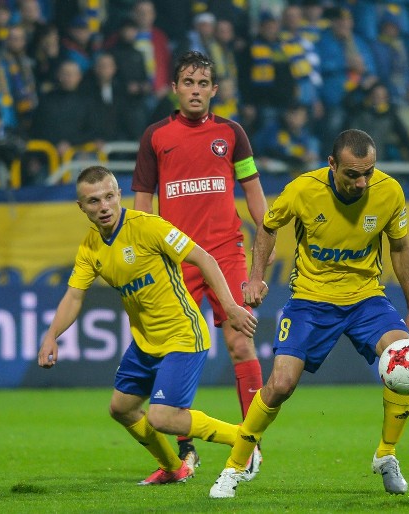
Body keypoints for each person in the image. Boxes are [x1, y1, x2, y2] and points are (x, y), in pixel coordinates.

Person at [207, 129, 409, 499]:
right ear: (331, 165)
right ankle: (236, 465)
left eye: (368, 173)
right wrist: (255, 278)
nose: (362, 183)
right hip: (310, 300)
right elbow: (268, 226)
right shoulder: (303, 189)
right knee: (280, 385)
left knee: (404, 359)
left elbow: (401, 249)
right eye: (352, 174)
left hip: (365, 299)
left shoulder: (389, 191)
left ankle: (387, 455)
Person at [37, 166, 260, 485]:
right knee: (122, 408)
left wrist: (230, 307)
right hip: (145, 343)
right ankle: (174, 468)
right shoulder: (90, 247)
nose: (103, 207)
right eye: (94, 201)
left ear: (119, 195)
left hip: (183, 335)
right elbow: (74, 297)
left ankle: (246, 441)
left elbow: (205, 259)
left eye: (110, 197)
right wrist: (51, 335)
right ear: (81, 207)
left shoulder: (148, 227)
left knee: (163, 416)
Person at [132, 50, 269, 470]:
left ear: (214, 89)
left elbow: (258, 203)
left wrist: (260, 268)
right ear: (175, 88)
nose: (196, 90)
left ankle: (251, 445)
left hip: (227, 254)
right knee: (171, 352)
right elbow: (141, 210)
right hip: (176, 261)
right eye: (188, 83)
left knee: (240, 341)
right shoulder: (155, 137)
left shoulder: (232, 134)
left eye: (203, 83)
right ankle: (186, 447)